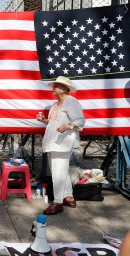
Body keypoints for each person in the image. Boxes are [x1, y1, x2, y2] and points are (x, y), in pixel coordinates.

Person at [36, 76, 86, 215]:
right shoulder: (55, 104)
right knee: (59, 171)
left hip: (63, 143)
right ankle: (68, 197)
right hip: (54, 142)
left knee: (58, 172)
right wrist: (45, 120)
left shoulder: (71, 101)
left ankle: (58, 202)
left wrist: (69, 126)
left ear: (64, 89)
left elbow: (80, 120)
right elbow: (54, 123)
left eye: (56, 86)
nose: (53, 88)